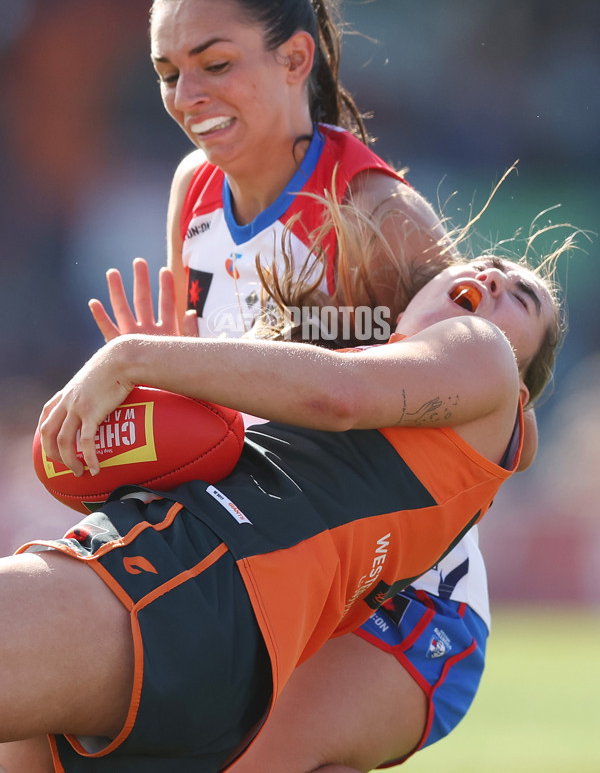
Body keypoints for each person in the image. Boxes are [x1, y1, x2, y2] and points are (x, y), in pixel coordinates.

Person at [0, 246, 562, 773]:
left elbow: (338, 396)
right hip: (227, 663)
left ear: (520, 397)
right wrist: (179, 391)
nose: (493, 277)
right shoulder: (403, 423)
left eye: (521, 296)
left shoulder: (483, 355)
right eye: (487, 263)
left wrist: (134, 358)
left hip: (198, 581)